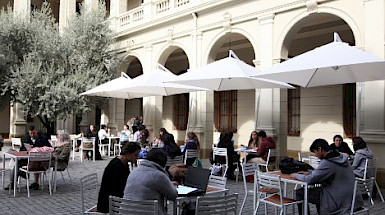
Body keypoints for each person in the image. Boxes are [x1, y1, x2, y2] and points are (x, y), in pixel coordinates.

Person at [292, 138, 363, 215]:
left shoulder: (328, 162)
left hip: (338, 199)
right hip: (352, 198)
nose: (316, 155)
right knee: (318, 191)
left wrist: (296, 175)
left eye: (315, 152)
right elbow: (324, 172)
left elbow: (310, 179)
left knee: (301, 192)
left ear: (320, 149)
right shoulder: (340, 157)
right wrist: (310, 172)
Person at [123, 148, 178, 215]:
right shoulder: (159, 176)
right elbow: (173, 195)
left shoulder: (134, 171)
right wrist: (171, 185)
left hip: (127, 212)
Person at [96, 142, 141, 213]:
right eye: (135, 155)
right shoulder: (116, 166)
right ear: (127, 154)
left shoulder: (124, 163)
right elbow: (119, 188)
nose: (137, 158)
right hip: (109, 204)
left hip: (114, 200)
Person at [7, 126, 52, 190]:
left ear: (36, 132)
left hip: (39, 161)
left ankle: (32, 180)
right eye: (31, 133)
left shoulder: (43, 139)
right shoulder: (26, 139)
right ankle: (13, 183)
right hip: (27, 158)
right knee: (17, 163)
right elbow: (21, 149)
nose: (32, 135)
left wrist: (37, 149)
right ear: (29, 132)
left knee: (34, 163)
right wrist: (27, 150)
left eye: (34, 133)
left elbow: (49, 148)